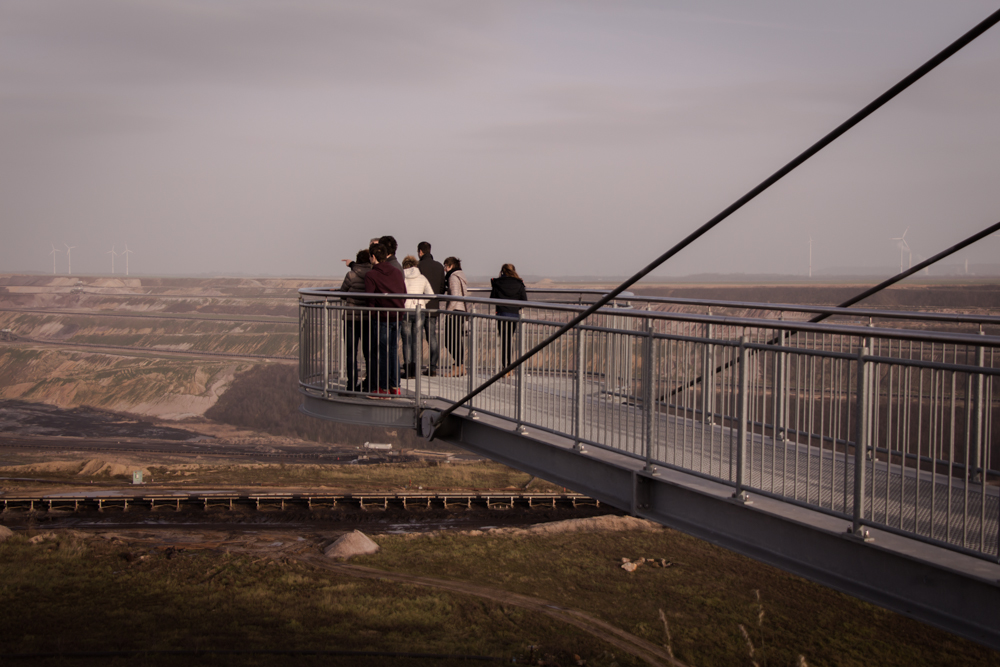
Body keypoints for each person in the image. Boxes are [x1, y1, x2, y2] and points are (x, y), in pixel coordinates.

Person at [363, 243, 406, 395]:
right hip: (397, 315)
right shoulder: (396, 272)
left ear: (373, 257)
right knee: (393, 351)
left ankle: (383, 388)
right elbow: (404, 291)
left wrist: (373, 315)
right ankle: (395, 387)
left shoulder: (371, 275)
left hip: (382, 318)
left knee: (381, 353)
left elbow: (370, 300)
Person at [339, 249, 372, 391]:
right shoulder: (373, 275)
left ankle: (351, 384)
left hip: (351, 317)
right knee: (368, 352)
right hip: (367, 317)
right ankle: (369, 382)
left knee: (351, 352)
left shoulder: (351, 275)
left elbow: (343, 293)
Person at [489, 263, 528, 372]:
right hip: (514, 315)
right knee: (509, 340)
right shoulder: (519, 283)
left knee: (504, 340)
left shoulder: (497, 283)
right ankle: (509, 365)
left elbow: (492, 298)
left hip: (501, 314)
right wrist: (515, 308)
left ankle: (505, 366)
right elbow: (523, 301)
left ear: (502, 271)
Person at [401, 255, 434, 378]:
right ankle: (416, 369)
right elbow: (431, 294)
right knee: (417, 340)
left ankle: (408, 370)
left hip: (405, 310)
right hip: (419, 311)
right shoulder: (422, 278)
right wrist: (421, 303)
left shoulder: (402, 276)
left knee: (406, 341)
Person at [417, 242, 446, 376]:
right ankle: (433, 367)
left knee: (415, 336)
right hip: (433, 306)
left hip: (419, 306)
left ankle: (414, 366)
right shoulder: (439, 266)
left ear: (420, 252)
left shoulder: (418, 266)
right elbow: (442, 288)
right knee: (432, 337)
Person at [442, 256, 469, 377]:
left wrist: (448, 311)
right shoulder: (460, 276)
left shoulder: (453, 277)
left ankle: (458, 366)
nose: (445, 269)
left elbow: (455, 295)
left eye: (445, 266)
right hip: (461, 310)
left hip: (455, 311)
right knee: (456, 340)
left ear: (450, 266)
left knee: (450, 340)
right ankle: (460, 366)